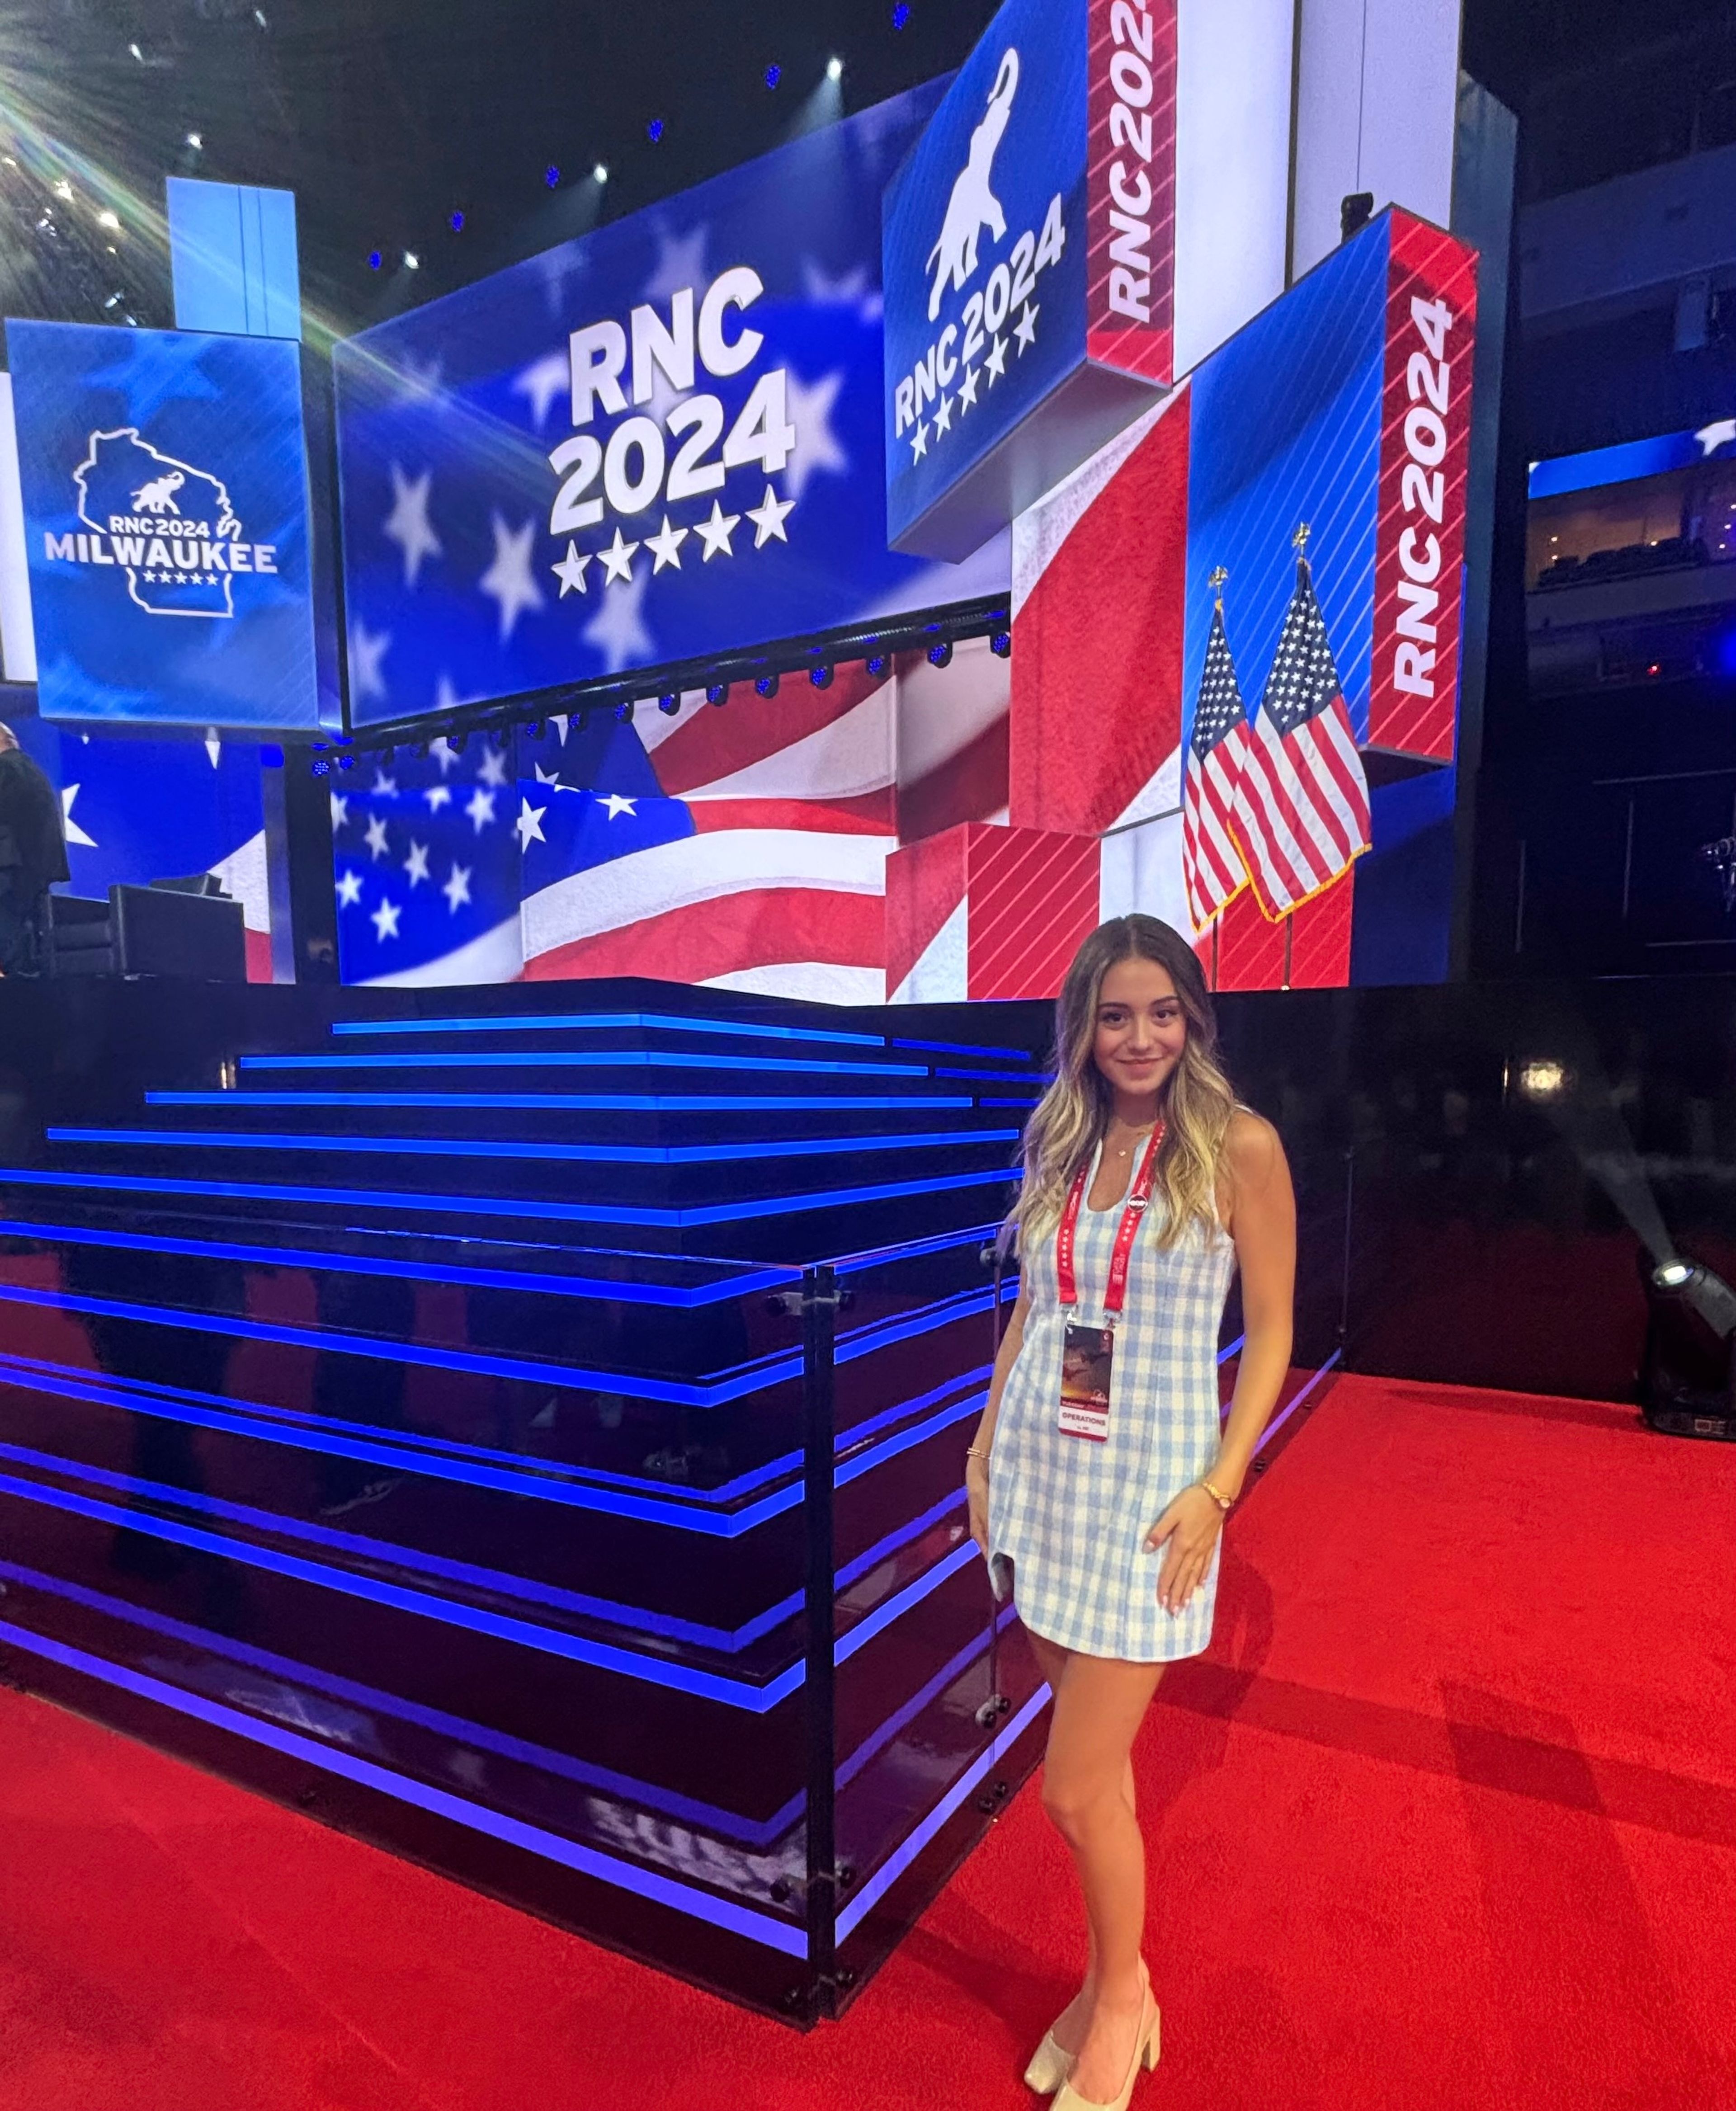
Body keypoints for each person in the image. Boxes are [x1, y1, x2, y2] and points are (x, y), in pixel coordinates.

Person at [966, 914, 1296, 2111]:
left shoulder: (1238, 1144)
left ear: (1194, 1017)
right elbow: (1039, 1314)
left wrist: (1222, 1485)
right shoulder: (1061, 1139)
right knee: (1097, 1784)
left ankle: (1117, 1994)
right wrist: (989, 1438)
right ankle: (1124, 1973)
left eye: (1163, 1011)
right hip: (1049, 1480)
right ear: (1085, 1026)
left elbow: (1273, 1333)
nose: (1140, 1035)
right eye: (1117, 1014)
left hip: (1154, 1500)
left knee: (1066, 1784)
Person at [0, 721, 70, 976]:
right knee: (24, 943)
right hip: (30, 872)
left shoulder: (7, 768)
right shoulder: (29, 770)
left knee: (11, 944)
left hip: (9, 874)